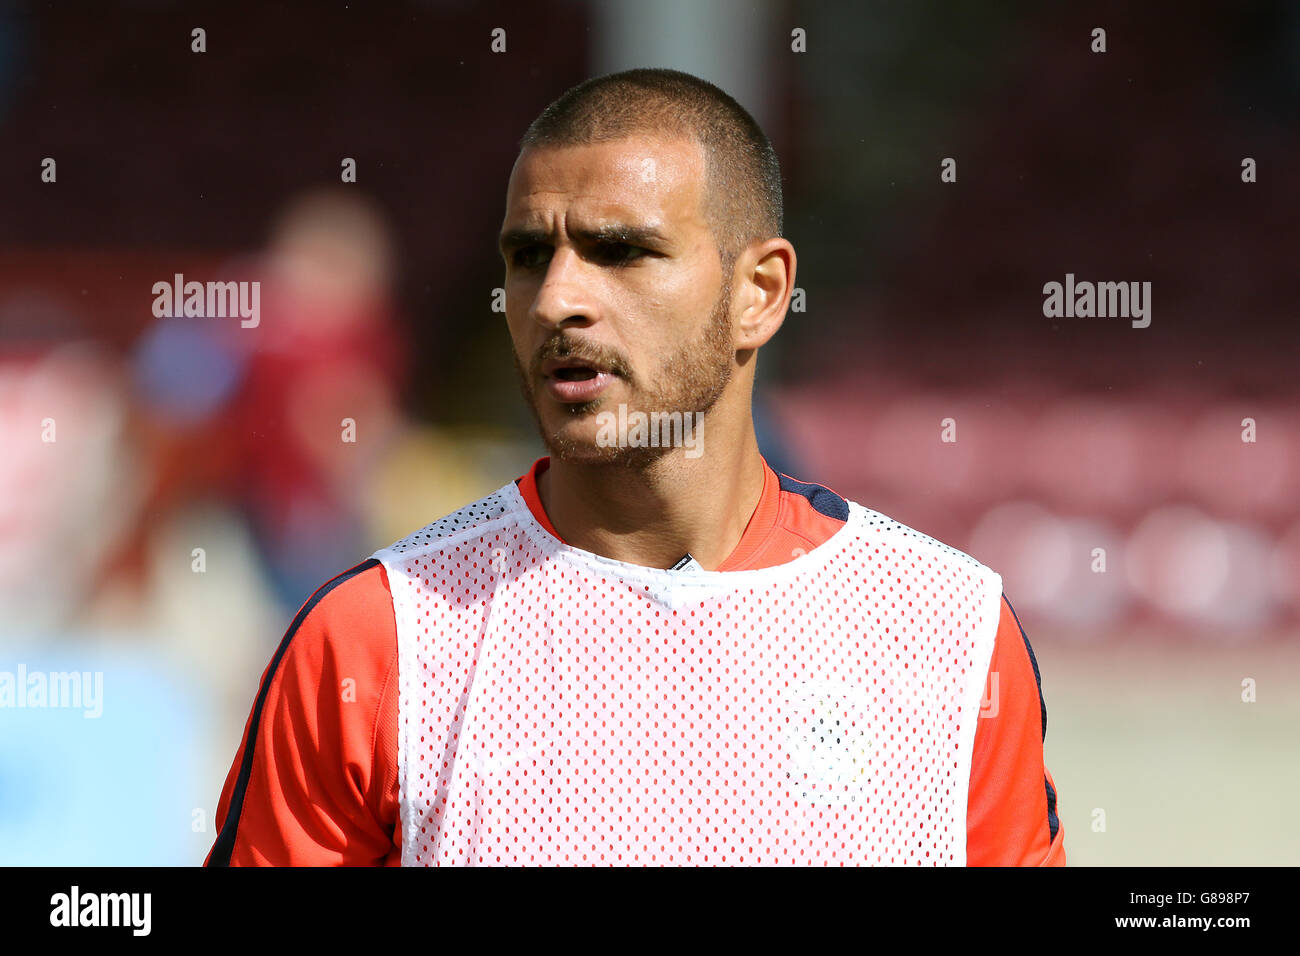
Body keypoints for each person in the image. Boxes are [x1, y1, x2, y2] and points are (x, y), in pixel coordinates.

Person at [205, 67, 1064, 866]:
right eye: (528, 256)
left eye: (620, 251)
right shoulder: (373, 638)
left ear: (760, 293)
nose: (556, 299)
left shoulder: (950, 632)